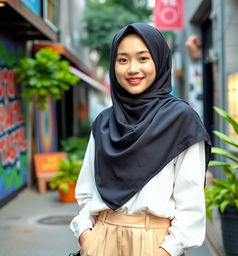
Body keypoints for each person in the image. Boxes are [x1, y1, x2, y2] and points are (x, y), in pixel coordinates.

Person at [70, 23, 211, 256]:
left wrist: (166, 251)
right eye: (123, 60)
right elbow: (86, 191)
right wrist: (87, 236)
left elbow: (191, 204)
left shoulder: (182, 120)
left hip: (155, 244)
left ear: (159, 60)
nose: (132, 69)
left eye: (143, 58)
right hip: (101, 238)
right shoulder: (104, 122)